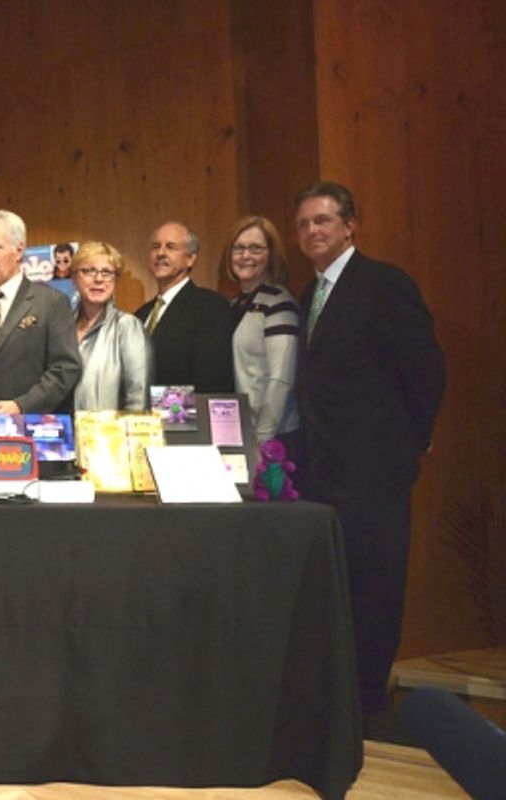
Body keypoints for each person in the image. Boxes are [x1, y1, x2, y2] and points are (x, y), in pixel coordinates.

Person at [293, 180, 445, 726]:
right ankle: (344, 702)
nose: (313, 230)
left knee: (377, 588)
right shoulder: (309, 295)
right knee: (342, 588)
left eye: (324, 221)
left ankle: (371, 707)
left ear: (350, 225)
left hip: (374, 472)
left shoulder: (383, 284)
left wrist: (409, 441)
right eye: (305, 223)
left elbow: (425, 369)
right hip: (325, 472)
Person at [0, 209, 81, 416]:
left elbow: (65, 369)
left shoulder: (51, 303)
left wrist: (21, 406)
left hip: (28, 427)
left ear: (19, 250)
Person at [219, 216, 299, 441]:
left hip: (273, 438)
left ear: (271, 255)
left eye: (255, 248)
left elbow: (281, 379)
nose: (245, 256)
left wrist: (262, 438)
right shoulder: (233, 305)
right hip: (240, 433)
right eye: (239, 248)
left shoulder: (279, 303)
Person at [136, 221, 234, 392]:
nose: (160, 253)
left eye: (171, 247)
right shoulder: (141, 315)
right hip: (142, 417)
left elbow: (212, 380)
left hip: (184, 416)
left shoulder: (209, 306)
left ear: (190, 258)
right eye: (155, 246)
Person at [70, 241, 147, 411]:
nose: (98, 279)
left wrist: (131, 436)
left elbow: (138, 394)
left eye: (107, 272)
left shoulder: (127, 326)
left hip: (108, 435)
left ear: (116, 280)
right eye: (89, 271)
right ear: (74, 279)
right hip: (61, 432)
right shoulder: (62, 325)